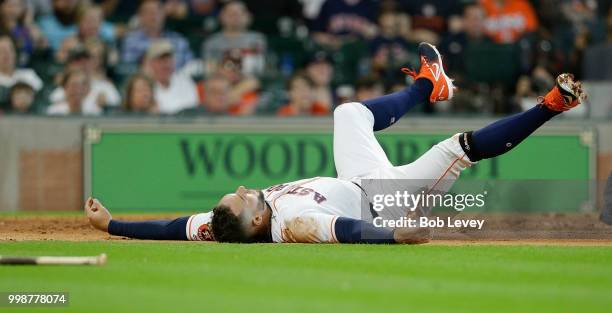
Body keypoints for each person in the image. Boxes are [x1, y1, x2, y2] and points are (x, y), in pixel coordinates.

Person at [85, 43, 585, 244]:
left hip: (355, 180)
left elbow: (173, 227)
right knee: (458, 147)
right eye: (242, 197)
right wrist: (395, 237)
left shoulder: (225, 226)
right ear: (258, 219)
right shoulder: (292, 224)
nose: (241, 187)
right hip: (384, 200)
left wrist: (113, 224)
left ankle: (427, 85)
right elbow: (346, 229)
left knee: (348, 113)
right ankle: (551, 106)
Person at [121, 0, 193, 69]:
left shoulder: (179, 40)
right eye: (149, 12)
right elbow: (128, 69)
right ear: (140, 16)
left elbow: (191, 67)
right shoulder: (131, 41)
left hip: (176, 80)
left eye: (157, 11)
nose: (153, 15)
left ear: (164, 14)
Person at [201, 1, 266, 76]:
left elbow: (258, 68)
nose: (235, 17)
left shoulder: (257, 39)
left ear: (248, 16)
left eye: (239, 14)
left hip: (248, 78)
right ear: (221, 16)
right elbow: (209, 68)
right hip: (221, 79)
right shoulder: (211, 41)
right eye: (231, 14)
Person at [142, 40, 198, 114]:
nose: (166, 64)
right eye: (161, 59)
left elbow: (192, 110)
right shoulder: (144, 85)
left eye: (169, 59)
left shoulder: (185, 82)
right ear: (150, 63)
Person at [0, 35, 42, 103]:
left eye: (10, 49)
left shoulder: (29, 75)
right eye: (1, 50)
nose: (6, 54)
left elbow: (42, 97)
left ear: (15, 53)